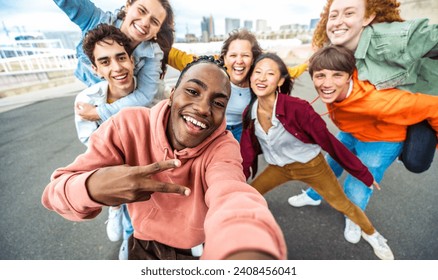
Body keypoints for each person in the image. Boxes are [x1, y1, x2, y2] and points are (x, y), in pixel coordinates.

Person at [41, 56, 287, 260]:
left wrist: (247, 244)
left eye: (218, 102)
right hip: (143, 247)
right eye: (192, 91)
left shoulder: (223, 146)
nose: (203, 108)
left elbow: (231, 192)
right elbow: (55, 193)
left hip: (198, 253)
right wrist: (93, 186)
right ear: (172, 94)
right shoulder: (127, 125)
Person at [239, 52, 393, 260]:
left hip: (311, 166)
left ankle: (373, 235)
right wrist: (238, 177)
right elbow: (247, 150)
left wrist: (363, 173)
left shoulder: (298, 108)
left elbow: (330, 142)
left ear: (280, 81)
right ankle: (240, 228)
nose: (261, 78)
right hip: (278, 167)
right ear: (250, 78)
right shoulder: (249, 111)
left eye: (269, 73)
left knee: (343, 204)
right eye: (257, 72)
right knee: (249, 194)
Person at [53, 0, 174, 258]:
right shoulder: (96, 21)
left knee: (146, 171)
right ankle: (119, 209)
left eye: (154, 21)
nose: (144, 23)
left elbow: (144, 96)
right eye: (141, 11)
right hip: (98, 94)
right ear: (128, 5)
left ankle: (146, 228)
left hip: (134, 106)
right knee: (115, 167)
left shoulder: (151, 53)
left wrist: (100, 112)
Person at [292, 45, 438, 252]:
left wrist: (428, 147)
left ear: (350, 76)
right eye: (320, 75)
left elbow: (433, 106)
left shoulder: (378, 101)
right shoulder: (331, 89)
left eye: (336, 75)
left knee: (358, 185)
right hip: (351, 131)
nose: (327, 83)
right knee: (328, 166)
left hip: (382, 140)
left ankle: (354, 217)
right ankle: (313, 196)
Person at [311, 0, 438, 173]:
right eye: (333, 15)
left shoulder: (394, 39)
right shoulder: (337, 46)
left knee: (415, 161)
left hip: (429, 96)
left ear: (368, 18)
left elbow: (432, 37)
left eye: (349, 13)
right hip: (402, 99)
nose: (338, 21)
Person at [168, 29, 308, 142]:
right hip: (209, 126)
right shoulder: (211, 69)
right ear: (224, 57)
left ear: (253, 59)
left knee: (240, 164)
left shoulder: (258, 76)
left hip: (240, 129)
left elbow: (285, 72)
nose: (239, 61)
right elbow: (176, 57)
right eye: (233, 55)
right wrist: (154, 38)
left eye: (245, 55)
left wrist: (307, 65)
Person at [73, 23, 138, 259]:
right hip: (111, 164)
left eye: (121, 58)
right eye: (105, 62)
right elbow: (91, 144)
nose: (117, 67)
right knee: (124, 187)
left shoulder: (152, 93)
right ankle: (126, 229)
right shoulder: (87, 99)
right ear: (95, 69)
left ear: (132, 60)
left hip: (147, 159)